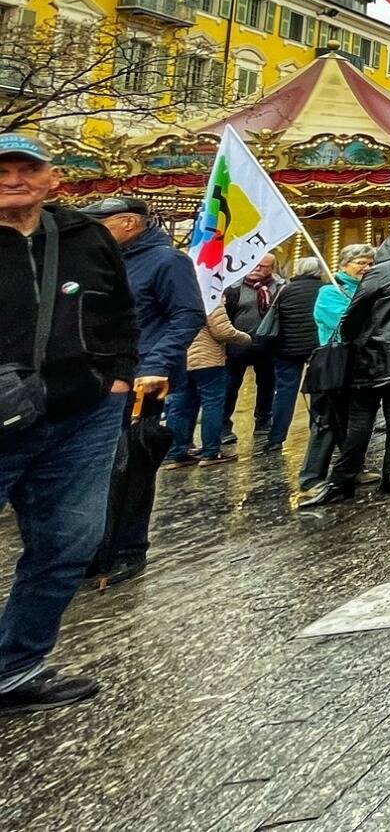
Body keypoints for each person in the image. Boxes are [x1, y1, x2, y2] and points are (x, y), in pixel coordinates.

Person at [0, 132, 137, 714]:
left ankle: (15, 669)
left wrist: (121, 376)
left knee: (68, 543)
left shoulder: (84, 237)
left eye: (26, 169)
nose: (13, 180)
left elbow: (120, 310)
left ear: (52, 178)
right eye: (1, 170)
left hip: (82, 413)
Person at [79, 196, 203, 585]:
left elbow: (187, 315)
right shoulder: (105, 260)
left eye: (101, 223)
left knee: (130, 466)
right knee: (93, 469)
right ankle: (93, 548)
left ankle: (127, 550)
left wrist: (154, 365)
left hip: (142, 380)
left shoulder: (168, 261)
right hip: (99, 377)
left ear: (129, 223)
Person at [306, 229, 390, 507]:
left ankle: (343, 479)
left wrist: (353, 338)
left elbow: (353, 315)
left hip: (372, 357)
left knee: (361, 417)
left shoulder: (381, 272)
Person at [299, 243, 374, 496]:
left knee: (351, 421)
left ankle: (352, 468)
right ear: (344, 265)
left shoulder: (369, 289)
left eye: (370, 263)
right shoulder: (330, 292)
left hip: (359, 365)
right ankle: (311, 478)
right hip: (334, 363)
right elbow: (347, 325)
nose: (366, 268)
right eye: (361, 263)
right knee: (326, 421)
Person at [167, 302, 250, 466]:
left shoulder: (175, 295)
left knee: (180, 406)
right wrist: (246, 338)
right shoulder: (209, 296)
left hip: (181, 358)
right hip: (208, 360)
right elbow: (222, 331)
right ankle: (211, 451)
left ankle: (177, 452)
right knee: (213, 404)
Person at [263, 256, 327, 459]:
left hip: (288, 348)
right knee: (319, 391)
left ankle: (276, 437)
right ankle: (317, 432)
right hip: (317, 347)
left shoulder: (285, 290)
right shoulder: (325, 289)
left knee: (284, 392)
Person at [222, 255, 281, 445]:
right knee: (231, 386)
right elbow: (227, 317)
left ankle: (263, 420)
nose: (256, 269)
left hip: (267, 345)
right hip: (238, 345)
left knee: (266, 384)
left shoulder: (279, 287)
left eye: (263, 267)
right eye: (254, 265)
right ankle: (224, 425)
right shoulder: (235, 288)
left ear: (272, 268)